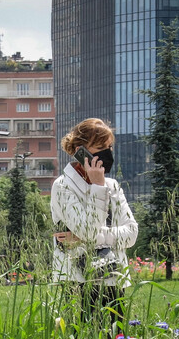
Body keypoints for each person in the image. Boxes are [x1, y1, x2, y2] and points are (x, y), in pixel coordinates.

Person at [50, 118, 138, 328]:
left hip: (113, 279)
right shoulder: (62, 187)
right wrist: (98, 187)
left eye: (109, 147)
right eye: (100, 148)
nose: (107, 154)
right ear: (82, 151)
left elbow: (132, 233)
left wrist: (87, 237)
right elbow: (88, 229)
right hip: (76, 282)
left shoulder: (113, 186)